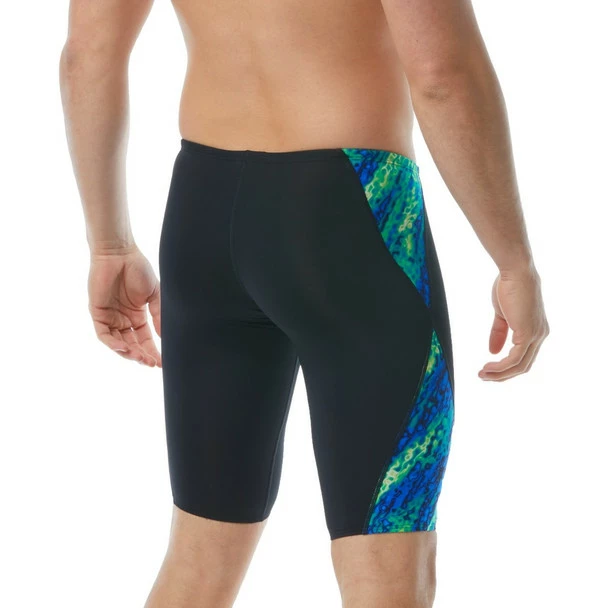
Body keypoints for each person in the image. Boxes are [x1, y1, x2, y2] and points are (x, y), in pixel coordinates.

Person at [59, 0, 549, 606]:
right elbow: (441, 74)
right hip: (352, 219)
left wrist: (109, 244)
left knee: (200, 557)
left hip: (203, 212)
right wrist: (513, 260)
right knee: (388, 568)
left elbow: (88, 56)